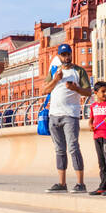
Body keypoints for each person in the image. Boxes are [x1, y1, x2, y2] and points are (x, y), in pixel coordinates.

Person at [40, 43, 91, 192]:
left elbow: (88, 92)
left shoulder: (78, 71)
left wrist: (75, 88)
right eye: (63, 55)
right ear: (59, 56)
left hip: (70, 115)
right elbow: (44, 90)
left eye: (68, 54)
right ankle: (62, 184)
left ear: (71, 54)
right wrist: (56, 80)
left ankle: (81, 183)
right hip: (54, 115)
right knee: (59, 150)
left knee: (73, 148)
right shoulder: (54, 71)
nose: (66, 57)